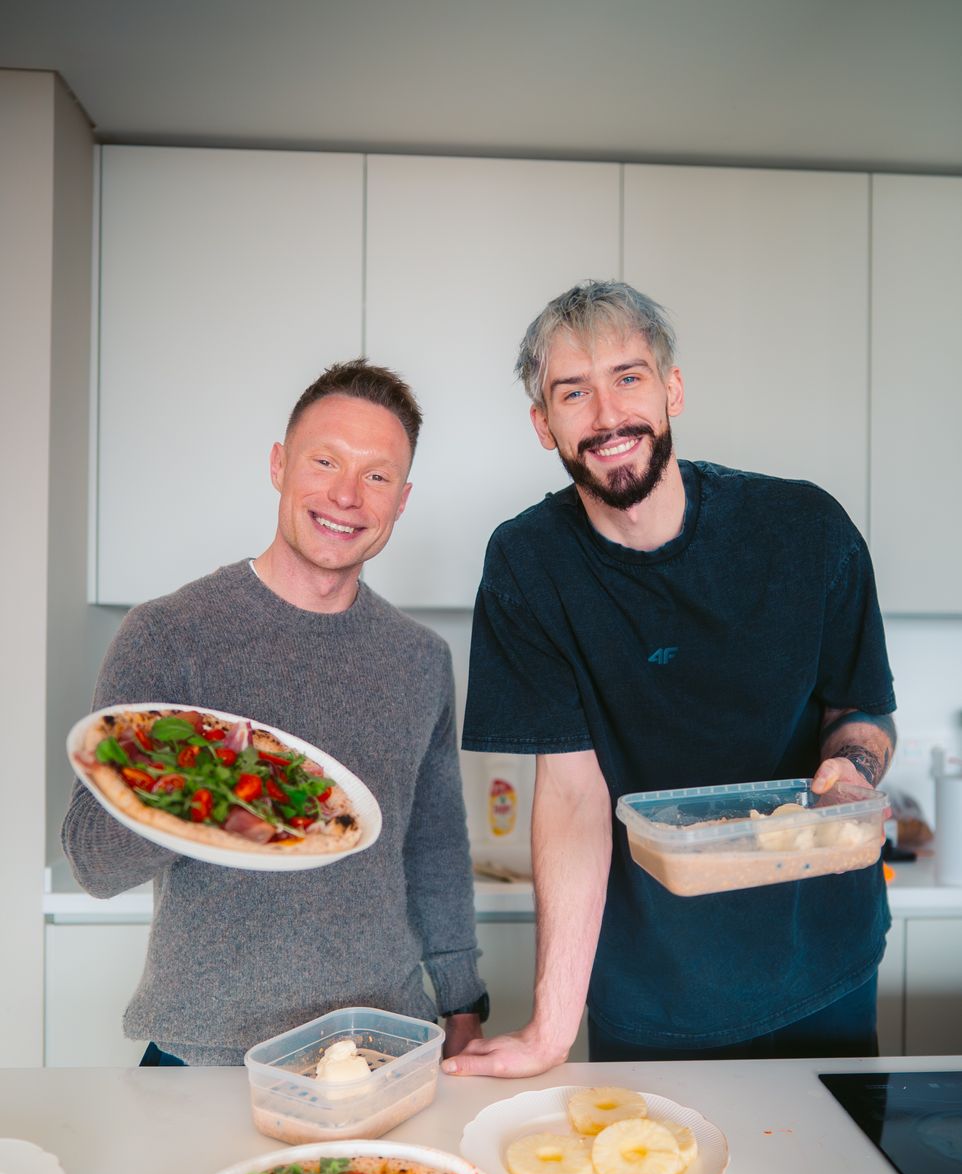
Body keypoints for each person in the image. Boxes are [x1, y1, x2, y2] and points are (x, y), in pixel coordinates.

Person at [444, 281, 896, 1077]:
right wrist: (552, 1028)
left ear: (672, 389)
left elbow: (860, 711)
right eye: (572, 392)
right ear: (542, 422)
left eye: (628, 377)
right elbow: (575, 796)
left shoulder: (803, 531)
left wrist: (853, 773)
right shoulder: (529, 565)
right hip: (650, 994)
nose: (606, 414)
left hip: (820, 964)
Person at [63, 359, 487, 1065]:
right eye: (325, 461)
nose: (346, 495)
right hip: (207, 1054)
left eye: (376, 476)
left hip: (382, 1046)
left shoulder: (419, 660)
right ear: (279, 465)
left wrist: (462, 1002)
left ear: (402, 500)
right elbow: (91, 862)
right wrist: (209, 777)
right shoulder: (170, 634)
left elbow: (434, 848)